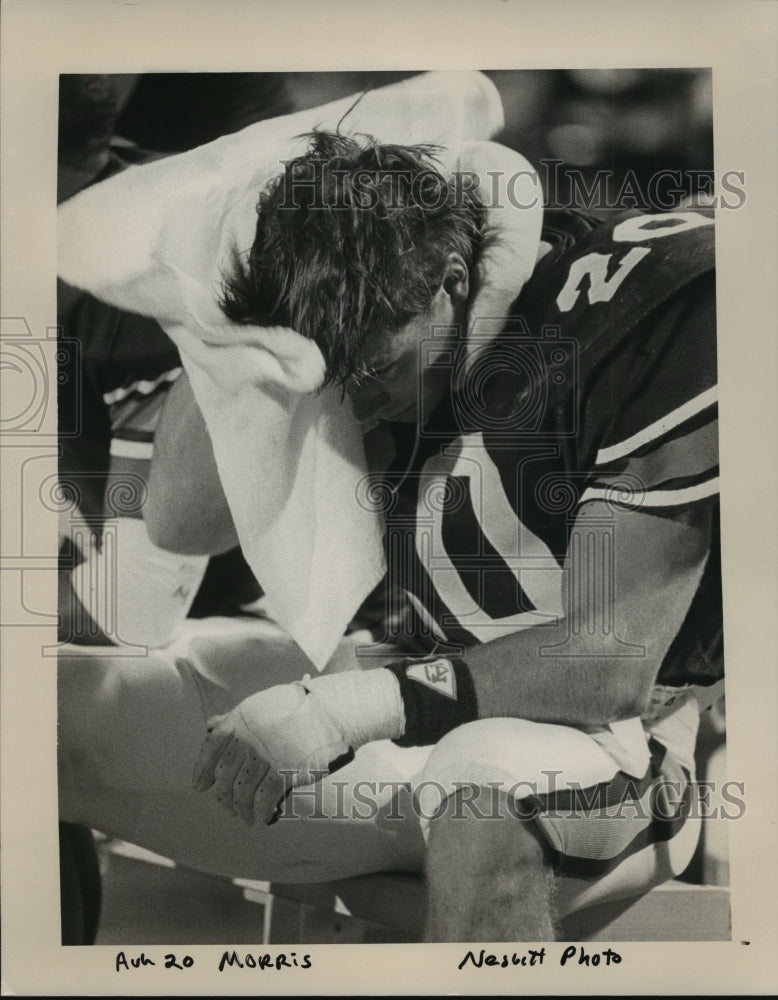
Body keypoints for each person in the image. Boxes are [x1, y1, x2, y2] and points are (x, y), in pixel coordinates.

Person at [58, 132, 721, 942]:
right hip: (398, 690)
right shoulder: (339, 321)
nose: (358, 408)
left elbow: (607, 663)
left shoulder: (642, 303)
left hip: (613, 739)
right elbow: (181, 522)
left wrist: (353, 708)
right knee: (41, 712)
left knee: (482, 792)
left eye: (374, 376)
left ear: (450, 283)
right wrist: (225, 328)